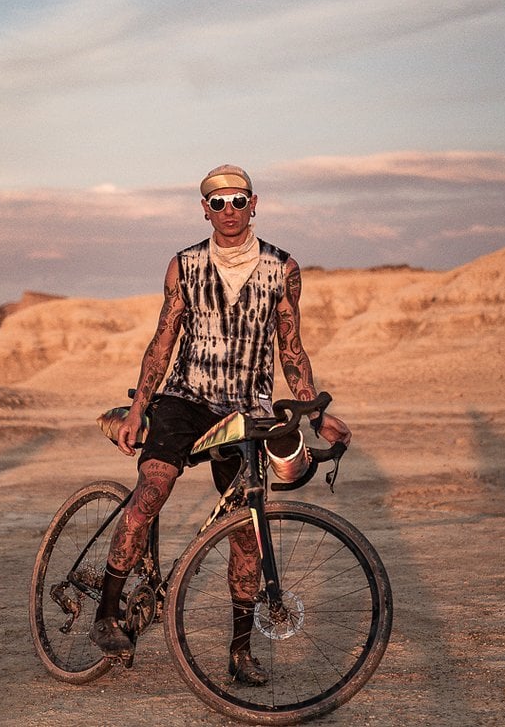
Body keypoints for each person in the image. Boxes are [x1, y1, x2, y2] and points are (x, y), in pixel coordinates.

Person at [90, 164, 352, 685]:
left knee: (247, 532)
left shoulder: (283, 269)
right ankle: (106, 611)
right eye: (217, 202)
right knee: (153, 487)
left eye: (237, 201)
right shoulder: (182, 265)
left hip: (247, 408)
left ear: (255, 204)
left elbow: (291, 349)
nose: (228, 210)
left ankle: (240, 652)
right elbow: (162, 341)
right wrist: (140, 408)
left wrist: (316, 414)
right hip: (186, 398)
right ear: (204, 209)